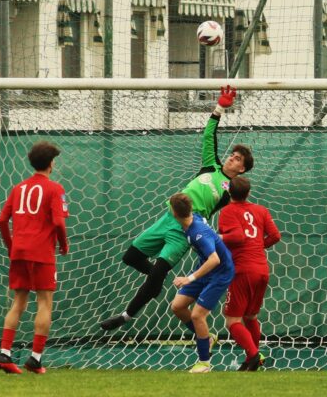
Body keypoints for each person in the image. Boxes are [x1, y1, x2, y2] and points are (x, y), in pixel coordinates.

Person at [100, 85, 253, 331]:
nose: (231, 158)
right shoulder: (210, 167)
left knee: (158, 272)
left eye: (237, 159)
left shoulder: (230, 190)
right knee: (131, 257)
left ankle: (125, 316)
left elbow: (240, 203)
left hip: (184, 228)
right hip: (168, 216)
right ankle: (155, 281)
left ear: (242, 169)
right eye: (232, 155)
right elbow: (208, 137)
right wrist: (219, 108)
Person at [0, 141, 69, 375]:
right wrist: (64, 244)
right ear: (50, 163)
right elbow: (58, 221)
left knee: (18, 301)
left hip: (19, 251)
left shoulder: (18, 188)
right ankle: (35, 358)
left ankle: (5, 353)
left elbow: (1, 220)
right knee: (45, 302)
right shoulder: (55, 188)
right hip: (41, 252)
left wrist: (10, 245)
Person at [218, 176, 281, 371]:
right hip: (261, 269)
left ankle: (253, 355)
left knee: (232, 321)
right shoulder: (261, 210)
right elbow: (275, 236)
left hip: (243, 270)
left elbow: (237, 237)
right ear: (249, 193)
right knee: (251, 316)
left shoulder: (227, 211)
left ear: (229, 193)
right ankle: (250, 360)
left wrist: (217, 237)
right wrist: (258, 246)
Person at [169, 193, 234, 373]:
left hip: (220, 273)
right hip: (205, 269)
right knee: (177, 306)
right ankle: (208, 337)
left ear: (174, 214)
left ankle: (204, 363)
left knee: (198, 315)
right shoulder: (193, 218)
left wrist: (188, 278)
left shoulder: (198, 231)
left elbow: (214, 260)